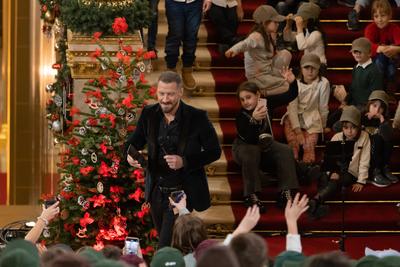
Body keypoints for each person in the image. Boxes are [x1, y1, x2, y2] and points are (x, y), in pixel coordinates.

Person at [125, 71, 221, 248]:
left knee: (164, 246)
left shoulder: (197, 117)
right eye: (161, 93)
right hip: (155, 192)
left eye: (170, 94)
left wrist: (184, 161)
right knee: (170, 243)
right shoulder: (149, 113)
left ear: (180, 92)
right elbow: (133, 142)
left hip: (181, 194)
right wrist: (130, 156)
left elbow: (214, 152)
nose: (165, 99)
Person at [233, 70, 301, 212]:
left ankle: (285, 192)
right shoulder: (241, 115)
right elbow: (249, 139)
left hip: (265, 145)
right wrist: (254, 120)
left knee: (285, 150)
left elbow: (291, 95)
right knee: (252, 151)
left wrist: (292, 82)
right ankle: (252, 195)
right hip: (244, 148)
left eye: (248, 97)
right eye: (242, 99)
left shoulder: (267, 103)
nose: (246, 102)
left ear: (258, 95)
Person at [308, 106, 371, 219]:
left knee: (333, 179)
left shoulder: (364, 137)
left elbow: (364, 160)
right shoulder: (337, 137)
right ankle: (317, 204)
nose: (349, 131)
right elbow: (329, 160)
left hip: (350, 173)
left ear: (359, 127)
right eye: (346, 128)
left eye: (353, 128)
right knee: (326, 176)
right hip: (336, 169)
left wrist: (361, 181)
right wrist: (330, 172)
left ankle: (316, 200)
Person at [225, 5, 292, 96]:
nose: (278, 24)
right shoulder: (256, 36)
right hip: (258, 76)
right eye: (275, 22)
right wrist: (233, 50)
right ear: (265, 22)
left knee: (285, 55)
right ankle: (262, 93)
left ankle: (271, 82)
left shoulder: (268, 34)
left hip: (267, 70)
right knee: (286, 85)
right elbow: (245, 44)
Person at [282, 53, 330, 164]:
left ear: (318, 69)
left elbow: (323, 107)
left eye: (313, 68)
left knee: (309, 145)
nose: (310, 71)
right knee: (293, 143)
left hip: (312, 118)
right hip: (294, 118)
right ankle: (293, 164)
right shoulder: (295, 82)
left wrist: (322, 125)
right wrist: (298, 131)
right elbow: (292, 108)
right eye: (306, 68)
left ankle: (307, 167)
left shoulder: (323, 83)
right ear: (301, 68)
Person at [328, 37, 383, 131]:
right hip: (354, 104)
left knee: (337, 126)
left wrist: (371, 110)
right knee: (333, 117)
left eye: (360, 52)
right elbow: (353, 88)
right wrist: (345, 101)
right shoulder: (356, 68)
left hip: (365, 106)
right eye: (355, 52)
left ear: (369, 53)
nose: (357, 54)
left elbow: (376, 95)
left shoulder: (374, 71)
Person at [164, 0, 212, 90]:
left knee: (191, 36)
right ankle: (171, 68)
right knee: (175, 34)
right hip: (174, 3)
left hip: (195, 3)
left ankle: (187, 69)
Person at [362, 90, 399, 187]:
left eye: (381, 108)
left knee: (388, 140)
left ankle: (384, 168)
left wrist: (382, 120)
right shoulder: (362, 116)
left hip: (380, 152)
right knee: (377, 138)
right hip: (365, 151)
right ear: (368, 105)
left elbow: (388, 137)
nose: (377, 110)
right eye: (374, 106)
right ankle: (375, 171)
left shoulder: (384, 121)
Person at [283, 2, 327, 73]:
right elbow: (288, 38)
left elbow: (301, 46)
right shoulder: (307, 31)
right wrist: (288, 26)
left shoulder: (317, 34)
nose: (300, 21)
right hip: (308, 65)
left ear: (309, 20)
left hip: (319, 67)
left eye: (303, 19)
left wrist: (299, 28)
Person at [364, 0, 400, 85]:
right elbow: (367, 46)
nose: (379, 19)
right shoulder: (370, 28)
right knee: (379, 62)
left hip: (392, 58)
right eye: (376, 16)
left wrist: (395, 48)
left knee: (391, 70)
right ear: (373, 17)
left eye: (383, 16)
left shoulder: (394, 28)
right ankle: (378, 87)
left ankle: (390, 89)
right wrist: (380, 48)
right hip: (375, 59)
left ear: (389, 15)